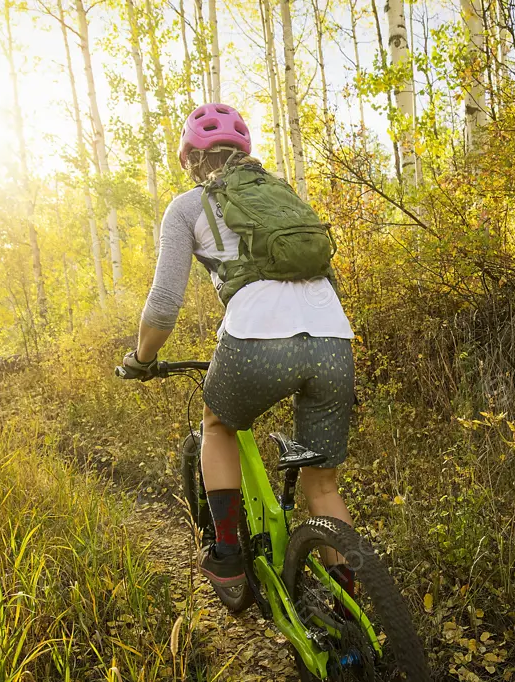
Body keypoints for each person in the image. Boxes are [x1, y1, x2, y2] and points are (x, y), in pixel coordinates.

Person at [118, 103, 357, 594]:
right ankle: (350, 602)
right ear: (243, 152)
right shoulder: (284, 194)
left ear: (189, 159)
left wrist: (140, 359)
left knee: (218, 424)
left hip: (256, 341)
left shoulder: (187, 206)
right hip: (334, 339)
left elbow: (163, 306)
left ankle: (227, 554)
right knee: (323, 484)